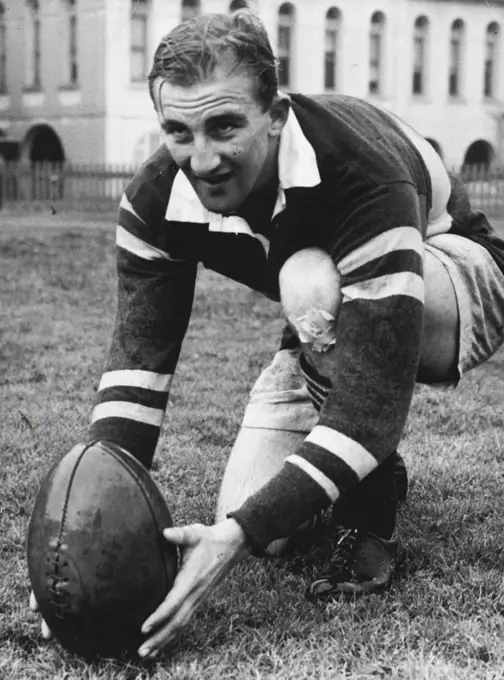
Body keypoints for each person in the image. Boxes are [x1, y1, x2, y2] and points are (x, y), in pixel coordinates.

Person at [30, 9, 504, 659]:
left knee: (312, 288)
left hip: (455, 269)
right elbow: (139, 365)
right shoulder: (155, 197)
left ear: (275, 114)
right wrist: (82, 526)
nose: (203, 158)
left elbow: (371, 406)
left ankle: (370, 511)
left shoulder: (357, 172)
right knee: (263, 523)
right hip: (325, 313)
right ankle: (321, 393)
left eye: (225, 125)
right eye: (179, 130)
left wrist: (239, 534)